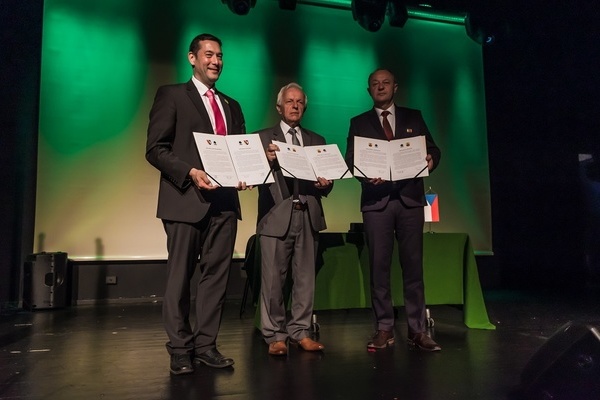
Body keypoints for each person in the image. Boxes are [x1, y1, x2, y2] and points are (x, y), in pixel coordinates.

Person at [145, 33, 248, 375]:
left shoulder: (232, 105)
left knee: (216, 278)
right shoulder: (172, 95)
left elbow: (239, 151)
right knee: (180, 278)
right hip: (186, 200)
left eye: (220, 55)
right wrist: (189, 172)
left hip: (225, 203)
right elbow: (155, 149)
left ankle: (206, 346)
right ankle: (179, 348)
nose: (216, 61)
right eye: (208, 54)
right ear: (192, 58)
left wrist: (246, 172)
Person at [344, 68, 442, 352]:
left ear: (395, 87)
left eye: (385, 83)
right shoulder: (358, 122)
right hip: (377, 203)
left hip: (410, 200)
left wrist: (431, 160)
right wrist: (365, 175)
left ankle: (417, 330)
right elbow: (351, 159)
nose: (380, 87)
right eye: (375, 84)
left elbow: (434, 149)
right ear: (369, 90)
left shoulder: (414, 117)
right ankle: (384, 328)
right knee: (379, 268)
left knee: (413, 267)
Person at [254, 82, 333, 356]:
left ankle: (301, 331)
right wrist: (265, 160)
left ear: (305, 108)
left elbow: (328, 181)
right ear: (279, 107)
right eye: (289, 101)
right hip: (276, 216)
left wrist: (325, 183)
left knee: (305, 279)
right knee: (273, 281)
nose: (295, 106)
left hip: (308, 215)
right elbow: (251, 175)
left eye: (299, 102)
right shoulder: (263, 137)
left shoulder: (316, 140)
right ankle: (275, 335)